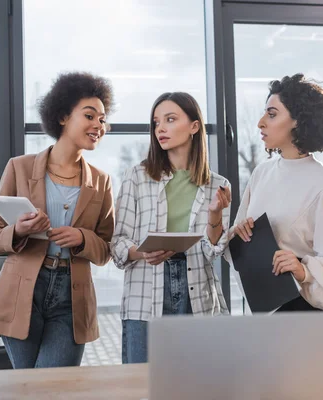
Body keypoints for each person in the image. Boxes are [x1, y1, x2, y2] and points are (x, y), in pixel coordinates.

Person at [0, 72, 115, 368]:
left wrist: (82, 238)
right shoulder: (19, 167)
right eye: (90, 116)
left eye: (103, 119)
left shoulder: (102, 182)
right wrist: (19, 230)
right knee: (29, 387)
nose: (98, 126)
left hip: (72, 295)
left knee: (56, 388)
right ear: (63, 116)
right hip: (22, 292)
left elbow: (106, 249)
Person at [111, 92, 232, 364]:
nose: (160, 129)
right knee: (143, 387)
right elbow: (117, 242)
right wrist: (141, 253)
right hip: (144, 295)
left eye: (170, 119)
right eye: (156, 122)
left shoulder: (219, 185)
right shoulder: (137, 177)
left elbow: (213, 252)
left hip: (198, 296)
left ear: (194, 126)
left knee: (199, 387)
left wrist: (215, 214)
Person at [231, 73, 323, 312]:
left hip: (304, 311)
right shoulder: (261, 174)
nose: (260, 122)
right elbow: (239, 245)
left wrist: (302, 269)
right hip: (262, 306)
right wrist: (239, 232)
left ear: (298, 121)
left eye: (272, 114)